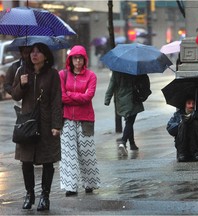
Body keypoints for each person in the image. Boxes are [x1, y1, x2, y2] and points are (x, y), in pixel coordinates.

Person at [11, 43, 62, 211]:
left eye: (38, 52)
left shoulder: (53, 75)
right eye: (32, 51)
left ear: (46, 56)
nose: (34, 54)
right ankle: (29, 194)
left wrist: (56, 125)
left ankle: (45, 197)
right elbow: (15, 95)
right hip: (27, 123)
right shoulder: (23, 71)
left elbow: (56, 101)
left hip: (46, 124)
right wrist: (22, 84)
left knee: (48, 161)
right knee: (26, 161)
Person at [59, 45, 100, 197]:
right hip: (67, 119)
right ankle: (70, 186)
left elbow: (88, 97)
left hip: (86, 119)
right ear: (70, 60)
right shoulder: (62, 75)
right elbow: (61, 96)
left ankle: (90, 184)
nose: (77, 61)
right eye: (75, 58)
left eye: (80, 58)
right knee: (68, 155)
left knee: (86, 153)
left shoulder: (91, 76)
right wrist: (77, 96)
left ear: (85, 60)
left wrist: (71, 95)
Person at [104, 72, 144, 156]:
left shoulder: (116, 72)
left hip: (121, 100)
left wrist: (107, 99)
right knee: (130, 122)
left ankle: (132, 144)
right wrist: (144, 95)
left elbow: (111, 86)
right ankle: (123, 141)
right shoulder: (136, 71)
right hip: (134, 100)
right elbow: (145, 84)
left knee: (129, 121)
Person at [166, 97, 198, 162]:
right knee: (183, 124)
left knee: (195, 122)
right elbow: (170, 129)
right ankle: (182, 153)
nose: (191, 106)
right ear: (185, 105)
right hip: (182, 147)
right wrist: (180, 122)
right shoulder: (178, 115)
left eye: (193, 103)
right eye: (189, 103)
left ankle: (196, 152)